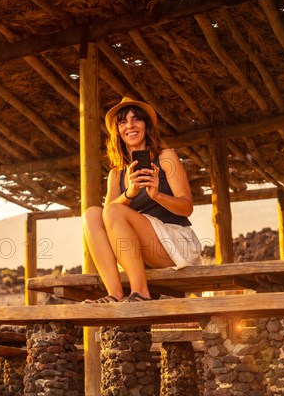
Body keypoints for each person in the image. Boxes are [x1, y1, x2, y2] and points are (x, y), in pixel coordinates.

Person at [82, 97, 202, 303]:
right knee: (92, 214)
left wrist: (157, 195)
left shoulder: (165, 157)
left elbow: (187, 207)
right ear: (118, 131)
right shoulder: (116, 174)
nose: (130, 125)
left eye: (136, 119)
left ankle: (141, 292)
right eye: (123, 122)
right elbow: (105, 220)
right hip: (136, 251)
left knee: (112, 210)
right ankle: (115, 294)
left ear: (146, 125)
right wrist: (130, 192)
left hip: (174, 245)